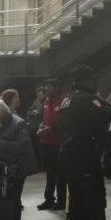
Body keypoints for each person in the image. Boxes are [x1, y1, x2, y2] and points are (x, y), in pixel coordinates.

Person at [59, 65, 111, 220]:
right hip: (85, 155)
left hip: (68, 154)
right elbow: (104, 118)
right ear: (86, 81)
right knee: (95, 198)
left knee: (75, 197)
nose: (95, 82)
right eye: (93, 79)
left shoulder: (66, 100)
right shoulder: (88, 100)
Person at [36, 78, 67, 210]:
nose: (46, 90)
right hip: (46, 141)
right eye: (46, 87)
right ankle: (49, 199)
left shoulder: (64, 101)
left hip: (58, 143)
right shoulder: (47, 101)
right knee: (49, 173)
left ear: (56, 88)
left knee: (60, 173)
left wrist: (52, 129)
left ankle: (61, 201)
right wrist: (41, 127)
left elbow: (66, 124)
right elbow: (45, 119)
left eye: (48, 87)